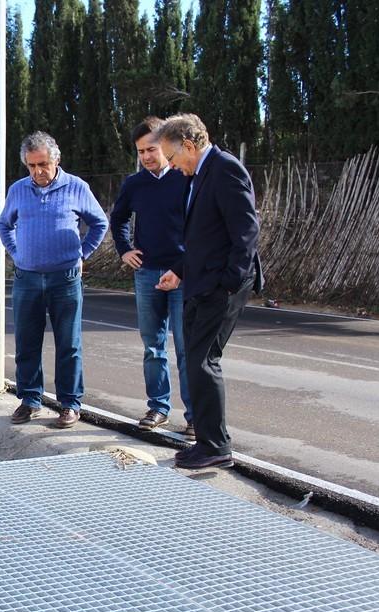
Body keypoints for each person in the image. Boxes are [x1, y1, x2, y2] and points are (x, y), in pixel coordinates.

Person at [154, 113, 263, 469]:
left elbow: (245, 232)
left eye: (172, 158)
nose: (173, 166)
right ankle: (205, 441)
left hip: (221, 286)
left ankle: (216, 446)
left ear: (189, 145)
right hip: (200, 282)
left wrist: (229, 282)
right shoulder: (200, 175)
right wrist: (180, 272)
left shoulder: (225, 169)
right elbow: (205, 238)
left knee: (203, 361)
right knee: (194, 360)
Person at [0, 131, 109, 428]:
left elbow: (99, 222)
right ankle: (30, 399)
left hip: (66, 278)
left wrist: (82, 253)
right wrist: (16, 252)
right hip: (27, 278)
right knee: (27, 341)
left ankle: (70, 404)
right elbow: (4, 224)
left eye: (43, 164)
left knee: (68, 344)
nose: (38, 172)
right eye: (32, 166)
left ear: (56, 159)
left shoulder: (76, 187)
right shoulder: (19, 190)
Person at [111, 117, 194, 440]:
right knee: (153, 346)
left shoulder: (184, 178)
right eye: (141, 151)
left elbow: (200, 225)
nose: (146, 156)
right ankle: (158, 407)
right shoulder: (134, 184)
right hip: (146, 274)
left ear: (167, 145)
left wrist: (185, 265)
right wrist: (124, 250)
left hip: (182, 275)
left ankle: (194, 417)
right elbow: (117, 219)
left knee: (187, 347)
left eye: (152, 149)